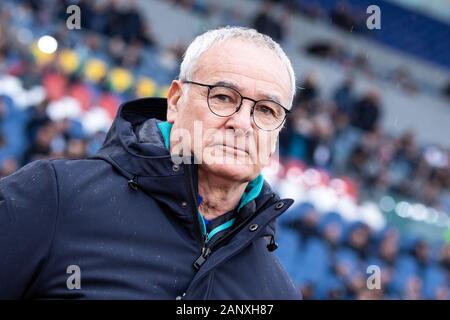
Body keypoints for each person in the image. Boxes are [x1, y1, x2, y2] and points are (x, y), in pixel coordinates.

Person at [0, 26, 300, 299]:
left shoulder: (278, 293)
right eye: (223, 97)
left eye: (266, 110)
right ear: (175, 100)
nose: (242, 123)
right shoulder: (53, 196)